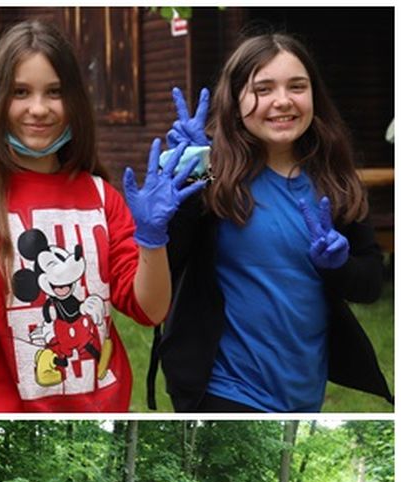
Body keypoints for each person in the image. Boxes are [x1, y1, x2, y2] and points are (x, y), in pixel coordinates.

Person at [0, 19, 203, 412]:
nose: (38, 109)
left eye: (54, 92)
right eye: (20, 92)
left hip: (100, 408)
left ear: (74, 102)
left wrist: (153, 239)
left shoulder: (102, 197)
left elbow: (150, 310)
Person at [158, 33, 390, 411]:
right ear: (234, 102)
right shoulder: (212, 174)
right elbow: (164, 270)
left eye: (297, 87)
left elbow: (368, 286)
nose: (282, 101)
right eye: (262, 89)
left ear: (314, 95)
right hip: (224, 387)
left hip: (302, 392)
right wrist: (189, 179)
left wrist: (339, 267)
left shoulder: (335, 178)